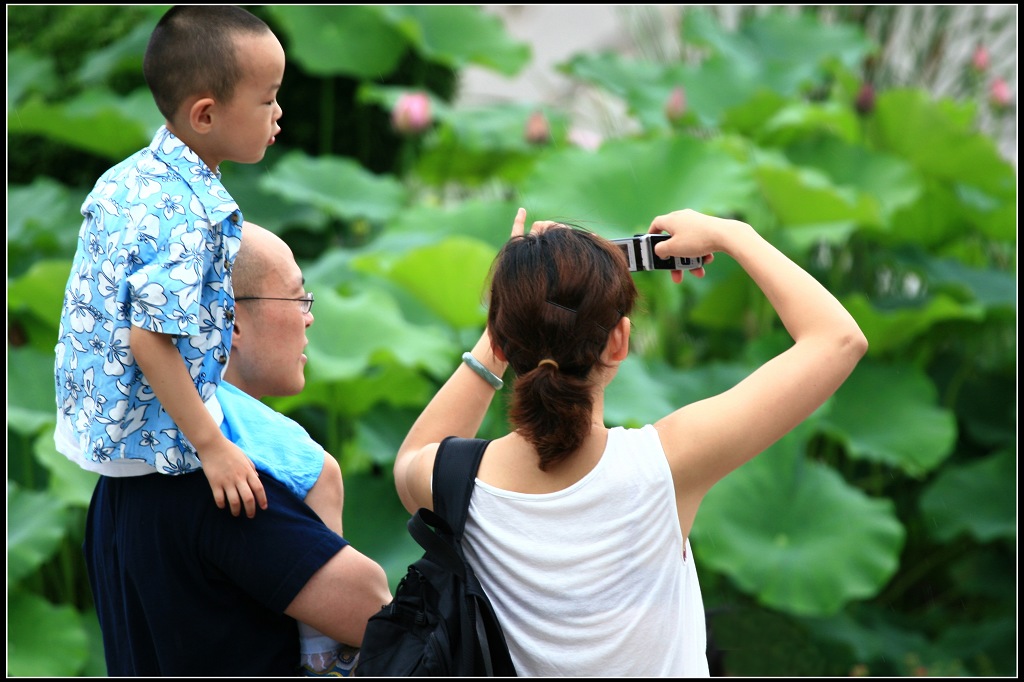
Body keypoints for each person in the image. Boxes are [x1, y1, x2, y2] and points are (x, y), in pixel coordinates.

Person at [393, 207, 868, 676]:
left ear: (500, 341)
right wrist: (732, 234)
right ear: (619, 341)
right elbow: (838, 339)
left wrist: (515, 311)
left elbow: (412, 455)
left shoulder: (452, 480)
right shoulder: (665, 465)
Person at [83, 222, 393, 676]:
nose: (309, 316)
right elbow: (373, 611)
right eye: (297, 297)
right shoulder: (226, 482)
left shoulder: (120, 472)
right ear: (230, 320)